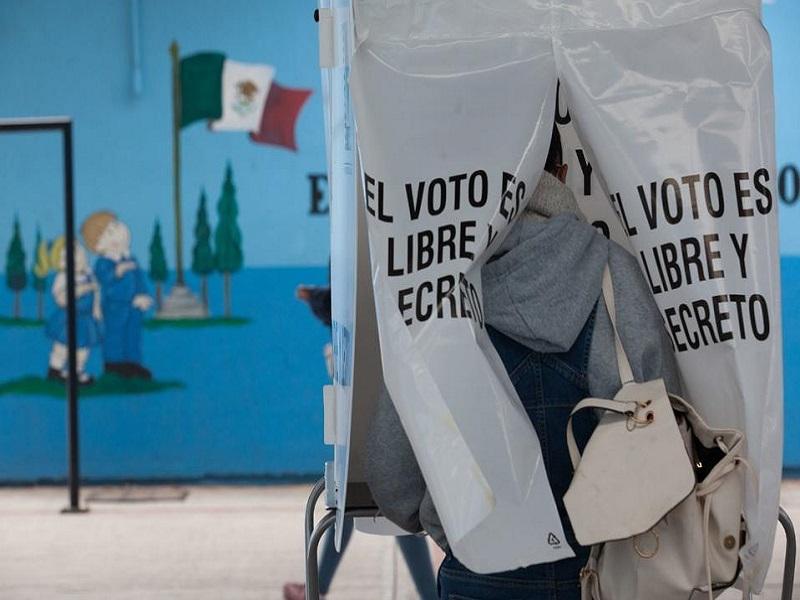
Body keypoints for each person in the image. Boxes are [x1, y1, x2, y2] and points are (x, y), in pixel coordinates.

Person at [363, 124, 682, 599]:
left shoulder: (438, 294)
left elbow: (395, 482)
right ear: (561, 171)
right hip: (607, 579)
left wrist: (456, 529)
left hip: (478, 580)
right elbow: (669, 438)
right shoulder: (619, 277)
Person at [283, 282, 438, 600]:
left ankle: (322, 585)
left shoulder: (352, 239)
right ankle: (321, 584)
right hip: (381, 378)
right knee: (367, 498)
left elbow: (352, 296)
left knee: (378, 496)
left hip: (370, 386)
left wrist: (319, 300)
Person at [81, 211, 153, 379]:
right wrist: (116, 272)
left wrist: (142, 295)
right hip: (114, 307)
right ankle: (114, 364)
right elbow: (104, 280)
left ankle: (133, 363)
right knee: (114, 335)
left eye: (116, 226)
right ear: (98, 245)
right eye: (110, 231)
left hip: (133, 307)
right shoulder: (104, 262)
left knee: (132, 334)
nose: (119, 230)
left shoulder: (130, 258)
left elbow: (138, 280)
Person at [45, 238, 103, 385]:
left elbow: (96, 292)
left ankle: (77, 371)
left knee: (83, 348)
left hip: (85, 318)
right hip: (68, 318)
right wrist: (82, 289)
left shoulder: (89, 274)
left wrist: (96, 309)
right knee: (62, 346)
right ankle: (55, 370)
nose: (72, 260)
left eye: (77, 255)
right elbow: (61, 298)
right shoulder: (62, 277)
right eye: (65, 258)